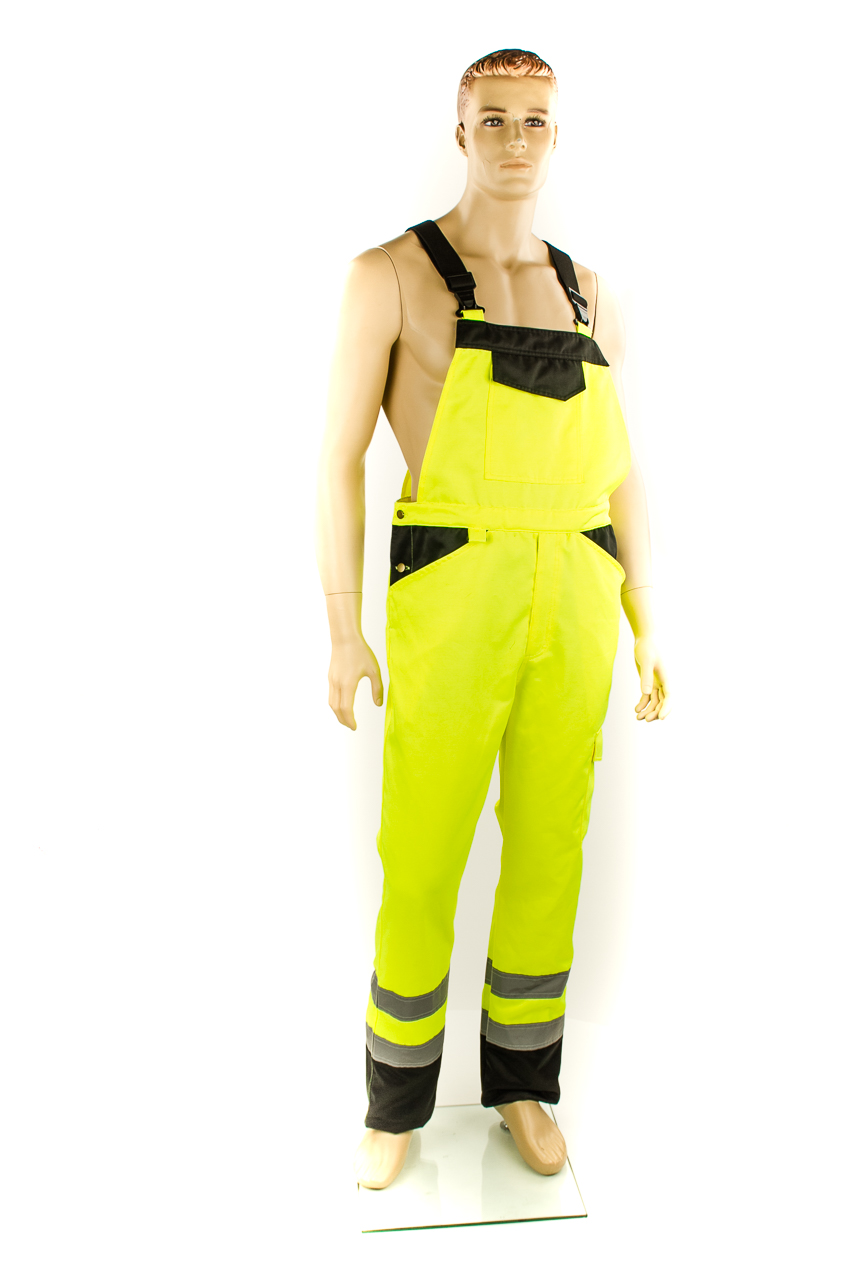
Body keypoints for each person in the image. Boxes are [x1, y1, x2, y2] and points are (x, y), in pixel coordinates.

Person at [315, 48, 670, 1192]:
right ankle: (394, 1103)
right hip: (455, 587)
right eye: (495, 119)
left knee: (550, 849)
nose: (516, 139)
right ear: (459, 128)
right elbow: (338, 458)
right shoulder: (391, 275)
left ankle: (523, 1083)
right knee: (422, 850)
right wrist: (341, 626)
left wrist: (646, 611)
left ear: (557, 136)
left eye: (536, 120)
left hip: (574, 588)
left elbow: (619, 463)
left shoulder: (589, 291)